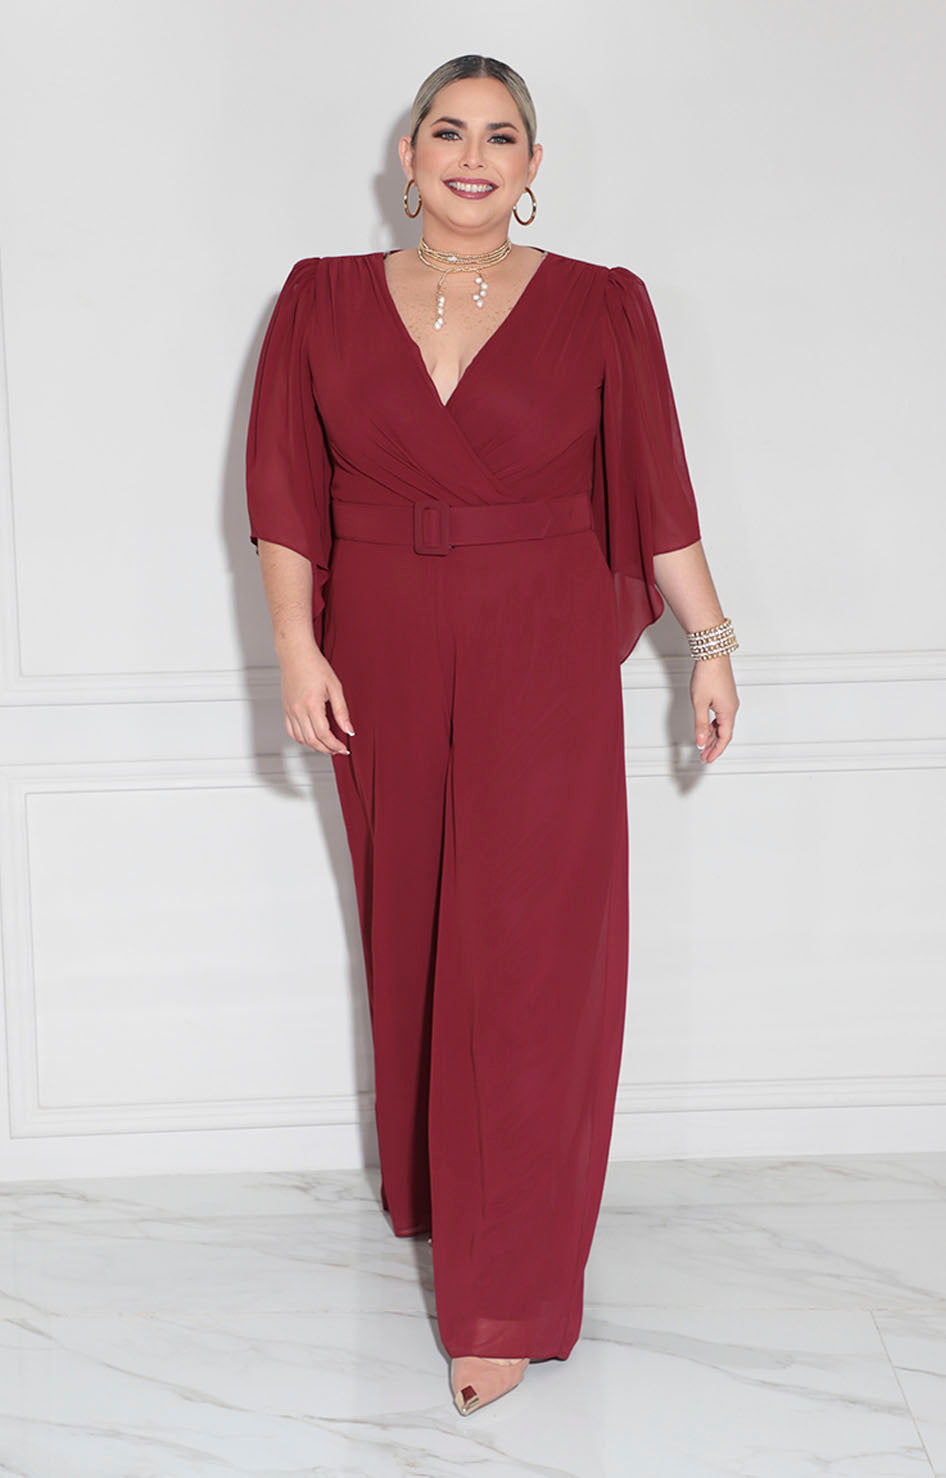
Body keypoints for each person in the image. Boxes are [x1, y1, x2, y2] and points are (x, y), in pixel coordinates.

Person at [245, 54, 740, 1418]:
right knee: (411, 925)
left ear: (530, 169)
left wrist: (710, 643)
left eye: (502, 137)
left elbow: (657, 490)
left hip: (539, 647)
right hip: (379, 647)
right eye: (449, 132)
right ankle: (432, 1192)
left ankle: (504, 1290)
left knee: (526, 958)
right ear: (406, 156)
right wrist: (296, 647)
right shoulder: (317, 297)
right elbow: (285, 488)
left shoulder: (601, 303)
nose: (473, 157)